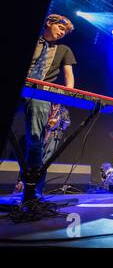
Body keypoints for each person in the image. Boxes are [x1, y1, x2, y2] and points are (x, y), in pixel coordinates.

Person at [21, 14, 76, 200]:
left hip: (41, 93)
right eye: (61, 28)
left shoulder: (64, 49)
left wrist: (69, 96)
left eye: (65, 32)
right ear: (49, 23)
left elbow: (69, 78)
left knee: (36, 142)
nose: (62, 33)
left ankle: (32, 190)